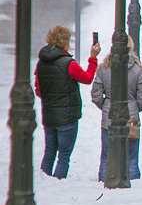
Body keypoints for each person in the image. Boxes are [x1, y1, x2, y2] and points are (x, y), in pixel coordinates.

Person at [34, 25, 99, 178]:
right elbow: (87, 78)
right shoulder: (69, 64)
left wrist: (52, 98)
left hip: (49, 115)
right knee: (63, 156)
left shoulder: (41, 64)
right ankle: (57, 183)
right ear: (64, 42)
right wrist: (93, 58)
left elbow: (38, 90)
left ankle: (45, 181)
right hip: (67, 117)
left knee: (49, 152)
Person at [92, 37, 142, 182]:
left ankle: (104, 182)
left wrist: (106, 106)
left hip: (109, 118)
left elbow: (96, 95)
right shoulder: (137, 70)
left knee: (107, 155)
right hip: (131, 119)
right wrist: (135, 108)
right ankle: (133, 185)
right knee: (131, 157)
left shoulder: (104, 69)